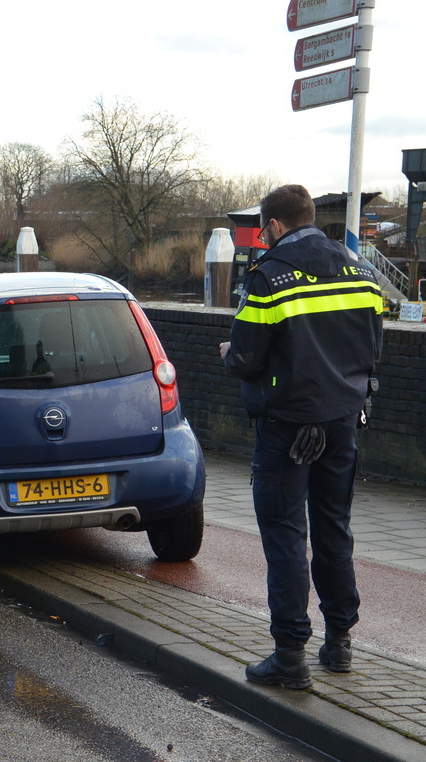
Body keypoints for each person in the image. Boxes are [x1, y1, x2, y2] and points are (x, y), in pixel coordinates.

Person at [219, 184, 383, 690]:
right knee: (334, 527)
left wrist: (228, 351)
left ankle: (290, 655)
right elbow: (370, 349)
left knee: (287, 532)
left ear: (272, 226)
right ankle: (339, 642)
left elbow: (246, 357)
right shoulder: (362, 271)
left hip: (288, 426)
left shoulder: (269, 278)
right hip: (342, 422)